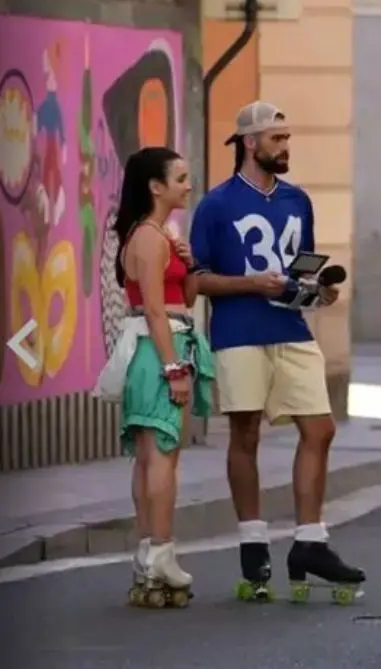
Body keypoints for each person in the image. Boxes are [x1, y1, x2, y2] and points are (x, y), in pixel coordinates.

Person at [189, 101, 362, 599]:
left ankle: (310, 540)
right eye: (277, 139)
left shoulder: (297, 200)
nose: (286, 147)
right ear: (250, 143)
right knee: (245, 433)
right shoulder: (216, 205)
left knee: (320, 428)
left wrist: (318, 294)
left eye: (287, 139)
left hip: (292, 328)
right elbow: (196, 281)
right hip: (238, 332)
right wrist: (250, 283)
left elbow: (300, 273)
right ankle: (252, 542)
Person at [93, 146, 216, 606]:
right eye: (180, 178)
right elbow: (155, 310)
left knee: (152, 456)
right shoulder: (147, 237)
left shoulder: (161, 235)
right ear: (155, 186)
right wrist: (173, 369)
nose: (188, 185)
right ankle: (160, 550)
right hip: (157, 350)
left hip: (162, 348)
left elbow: (186, 297)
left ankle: (150, 554)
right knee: (160, 456)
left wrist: (188, 262)